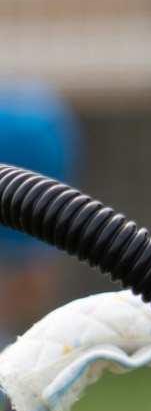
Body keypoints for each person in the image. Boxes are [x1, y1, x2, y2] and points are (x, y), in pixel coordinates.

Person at [0, 82, 81, 348]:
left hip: (35, 135)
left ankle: (25, 348)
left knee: (32, 262)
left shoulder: (30, 120)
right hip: (44, 128)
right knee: (34, 260)